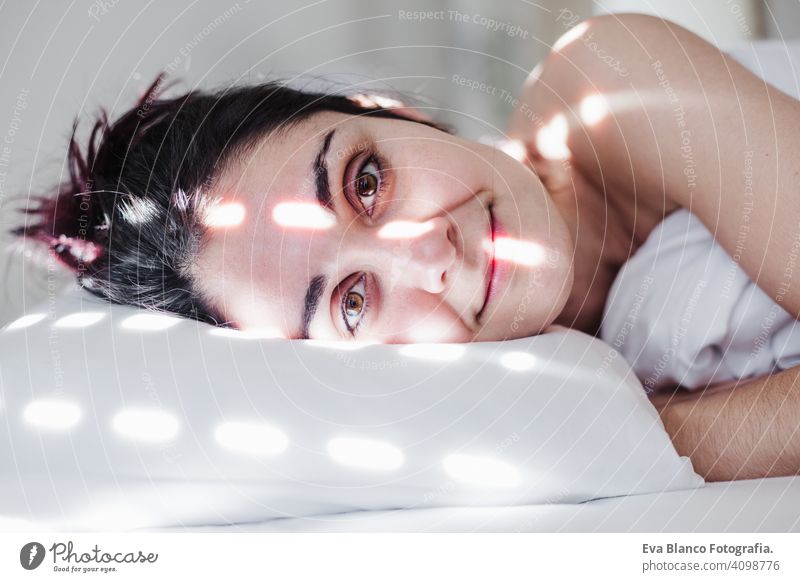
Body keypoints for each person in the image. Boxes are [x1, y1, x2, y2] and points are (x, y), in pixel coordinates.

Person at [13, 13, 800, 482]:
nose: (428, 254)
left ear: (387, 110)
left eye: (364, 182)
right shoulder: (513, 397)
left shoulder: (611, 87)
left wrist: (637, 436)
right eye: (352, 302)